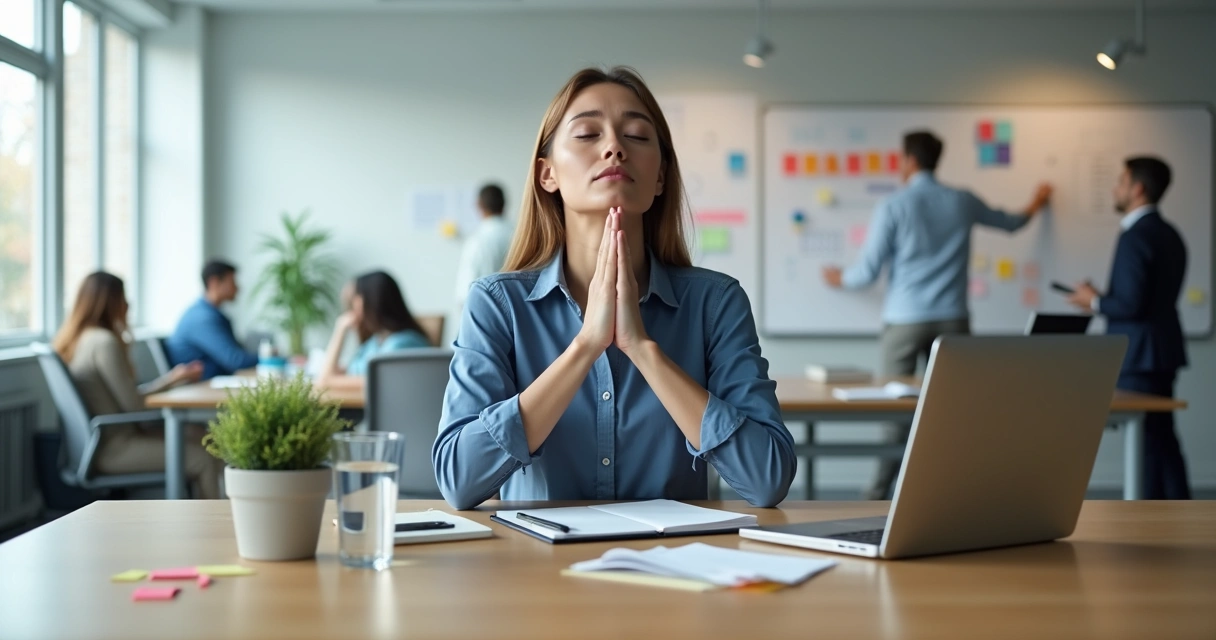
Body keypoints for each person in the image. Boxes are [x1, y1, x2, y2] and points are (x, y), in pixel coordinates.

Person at [433, 67, 796, 510]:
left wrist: (643, 349)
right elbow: (460, 480)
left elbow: (767, 480)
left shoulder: (715, 302)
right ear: (547, 174)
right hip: (535, 574)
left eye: (638, 136)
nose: (614, 148)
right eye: (587, 134)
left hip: (674, 569)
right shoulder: (497, 303)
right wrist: (586, 346)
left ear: (660, 177)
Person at [822, 130, 1052, 500]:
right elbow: (1011, 223)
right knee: (953, 408)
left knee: (892, 406)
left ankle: (880, 492)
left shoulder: (894, 206)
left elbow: (867, 273)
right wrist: (1037, 202)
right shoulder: (962, 200)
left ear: (909, 160)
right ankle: (949, 491)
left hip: (905, 318)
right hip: (952, 319)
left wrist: (838, 278)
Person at [1066, 156, 1190, 499]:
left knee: (1148, 444)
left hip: (1139, 355)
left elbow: (1132, 305)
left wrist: (1094, 301)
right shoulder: (1170, 234)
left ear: (1138, 188)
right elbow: (1147, 300)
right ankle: (1183, 516)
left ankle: (1149, 524)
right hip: (1163, 351)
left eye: (1120, 182)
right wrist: (1102, 298)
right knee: (1163, 441)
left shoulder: (1135, 236)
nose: (1114, 188)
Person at [53, 272, 221, 499]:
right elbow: (134, 405)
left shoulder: (79, 339)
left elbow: (128, 399)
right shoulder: (104, 343)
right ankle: (215, 528)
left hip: (101, 443)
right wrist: (171, 381)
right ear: (111, 301)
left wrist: (172, 379)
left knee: (200, 435)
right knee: (203, 456)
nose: (128, 304)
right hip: (115, 449)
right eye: (123, 297)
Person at [316, 270, 431, 390]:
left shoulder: (403, 345)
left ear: (369, 301)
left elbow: (326, 381)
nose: (350, 308)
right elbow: (330, 375)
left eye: (353, 300)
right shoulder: (375, 342)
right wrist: (341, 331)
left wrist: (340, 329)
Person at [164, 260, 258, 380]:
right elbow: (235, 360)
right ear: (214, 282)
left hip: (211, 382)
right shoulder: (202, 318)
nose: (237, 288)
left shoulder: (212, 314)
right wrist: (274, 359)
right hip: (196, 388)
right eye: (232, 282)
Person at [453, 183, 515, 320]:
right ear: (504, 204)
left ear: (478, 205)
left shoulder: (477, 241)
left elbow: (466, 292)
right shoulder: (520, 236)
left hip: (484, 318)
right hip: (517, 316)